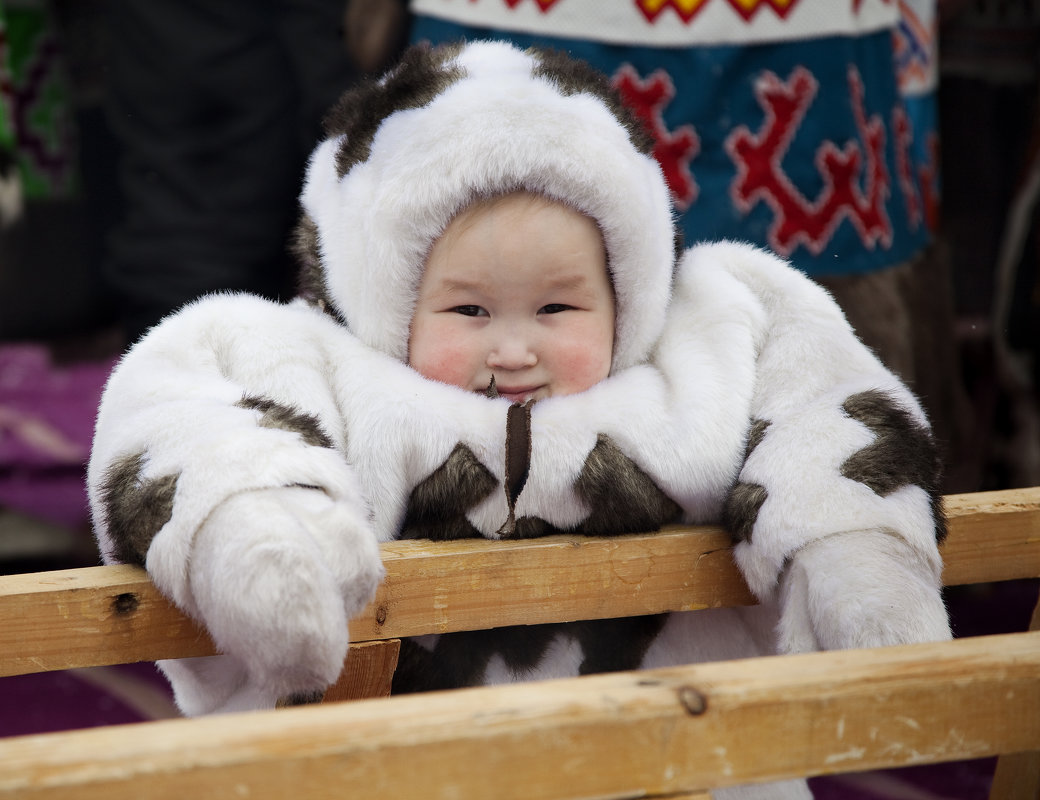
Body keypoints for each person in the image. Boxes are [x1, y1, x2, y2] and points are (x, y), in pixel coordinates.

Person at [87, 41, 950, 798]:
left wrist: (857, 549)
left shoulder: (710, 341)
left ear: (626, 292)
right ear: (392, 303)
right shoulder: (322, 368)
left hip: (676, 763)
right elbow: (183, 411)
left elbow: (821, 402)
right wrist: (254, 534)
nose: (512, 350)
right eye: (467, 312)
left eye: (557, 309)